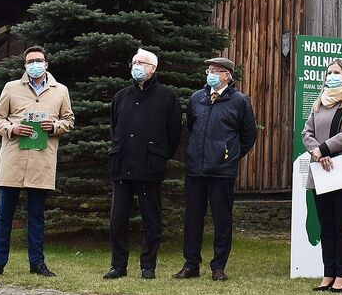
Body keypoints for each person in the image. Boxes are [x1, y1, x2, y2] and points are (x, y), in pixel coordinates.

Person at [0, 46, 74, 278]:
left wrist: (54, 127)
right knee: (4, 214)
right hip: (14, 158)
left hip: (41, 159)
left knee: (36, 215)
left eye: (39, 60)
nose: (35, 64)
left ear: (46, 64)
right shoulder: (12, 88)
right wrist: (12, 128)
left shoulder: (60, 91)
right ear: (25, 65)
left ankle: (37, 263)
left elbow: (69, 120)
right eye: (30, 61)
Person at [172, 57, 257, 282]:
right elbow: (191, 127)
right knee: (192, 218)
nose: (210, 74)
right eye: (208, 70)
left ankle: (218, 266)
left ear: (227, 75)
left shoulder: (240, 101)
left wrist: (229, 155)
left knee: (221, 219)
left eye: (215, 71)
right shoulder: (196, 99)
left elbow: (249, 136)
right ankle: (191, 264)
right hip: (196, 169)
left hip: (222, 171)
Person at [104, 48, 182, 280]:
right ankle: (118, 265)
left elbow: (174, 133)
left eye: (141, 62)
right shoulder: (121, 96)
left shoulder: (167, 97)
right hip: (122, 165)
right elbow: (114, 128)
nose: (136, 66)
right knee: (117, 219)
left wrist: (159, 155)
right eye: (134, 62)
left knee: (151, 219)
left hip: (150, 166)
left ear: (153, 68)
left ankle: (148, 265)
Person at [301, 59, 342, 293]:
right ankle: (327, 274)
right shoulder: (319, 103)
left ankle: (341, 275)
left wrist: (324, 148)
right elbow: (306, 132)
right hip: (320, 171)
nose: (332, 76)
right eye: (329, 72)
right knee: (325, 226)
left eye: (337, 72)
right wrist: (317, 153)